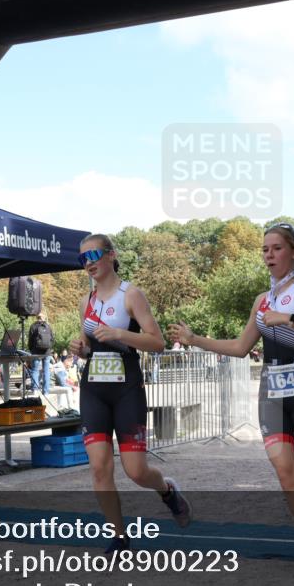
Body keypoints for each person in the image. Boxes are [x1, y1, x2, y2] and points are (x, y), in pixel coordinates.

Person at [169, 222, 294, 586]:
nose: (269, 255)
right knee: (287, 476)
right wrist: (194, 339)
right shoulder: (261, 300)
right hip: (271, 390)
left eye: (277, 248)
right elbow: (239, 347)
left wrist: (291, 319)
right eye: (265, 249)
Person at [68, 233, 192, 556]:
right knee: (99, 467)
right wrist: (79, 349)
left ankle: (167, 490)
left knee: (135, 470)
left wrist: (121, 333)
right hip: (94, 388)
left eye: (93, 254)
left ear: (111, 255)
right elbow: (86, 348)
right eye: (82, 259)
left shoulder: (131, 295)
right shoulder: (86, 302)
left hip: (126, 388)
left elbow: (158, 341)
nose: (88, 263)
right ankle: (120, 538)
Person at [28, 311, 54, 395]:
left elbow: (30, 340)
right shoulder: (48, 326)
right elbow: (52, 339)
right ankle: (46, 391)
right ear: (44, 317)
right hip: (47, 352)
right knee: (46, 371)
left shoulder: (33, 326)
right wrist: (49, 348)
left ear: (36, 317)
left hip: (36, 352)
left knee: (35, 370)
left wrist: (31, 350)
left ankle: (35, 390)